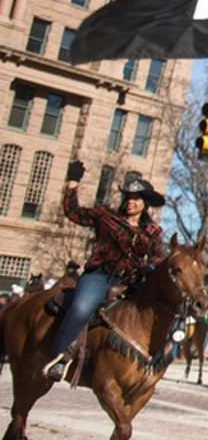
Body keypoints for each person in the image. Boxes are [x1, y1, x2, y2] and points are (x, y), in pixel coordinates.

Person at [42, 163, 167, 381]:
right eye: (127, 198)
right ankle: (60, 357)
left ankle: (150, 364)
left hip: (132, 283)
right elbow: (74, 213)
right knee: (82, 308)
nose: (130, 202)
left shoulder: (153, 231)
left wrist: (152, 266)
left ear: (145, 203)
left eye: (136, 198)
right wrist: (73, 182)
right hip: (100, 276)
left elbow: (157, 256)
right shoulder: (106, 216)